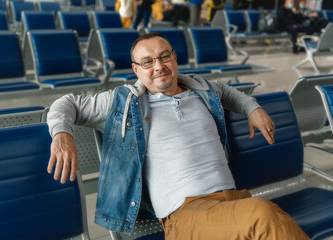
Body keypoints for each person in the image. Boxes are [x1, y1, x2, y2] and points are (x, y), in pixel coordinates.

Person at [47, 32, 310, 239]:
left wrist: (252, 108)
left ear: (175, 58)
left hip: (233, 202)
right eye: (148, 62)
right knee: (263, 216)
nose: (158, 66)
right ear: (136, 70)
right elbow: (65, 103)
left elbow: (228, 92)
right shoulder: (123, 102)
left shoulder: (202, 89)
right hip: (187, 216)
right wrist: (61, 133)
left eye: (164, 57)